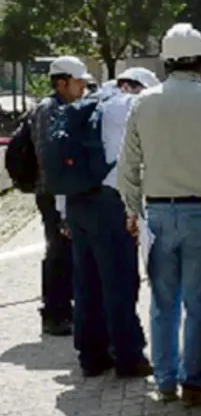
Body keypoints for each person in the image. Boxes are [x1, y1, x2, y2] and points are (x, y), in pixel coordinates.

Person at [120, 23, 201, 405]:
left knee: (163, 303)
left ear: (166, 61)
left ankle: (164, 382)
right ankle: (193, 383)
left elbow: (128, 168)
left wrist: (133, 211)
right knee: (197, 304)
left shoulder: (143, 103)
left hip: (159, 215)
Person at [60, 68, 158, 379]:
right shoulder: (129, 106)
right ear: (138, 87)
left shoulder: (86, 103)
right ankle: (129, 358)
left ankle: (92, 357)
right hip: (109, 203)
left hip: (76, 202)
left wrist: (63, 211)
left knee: (87, 282)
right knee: (120, 282)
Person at [27, 56, 90, 336]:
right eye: (78, 82)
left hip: (65, 190)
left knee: (68, 251)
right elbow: (48, 155)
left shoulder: (69, 107)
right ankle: (54, 312)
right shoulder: (47, 110)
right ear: (61, 83)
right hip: (52, 192)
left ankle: (65, 307)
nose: (83, 87)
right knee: (58, 250)